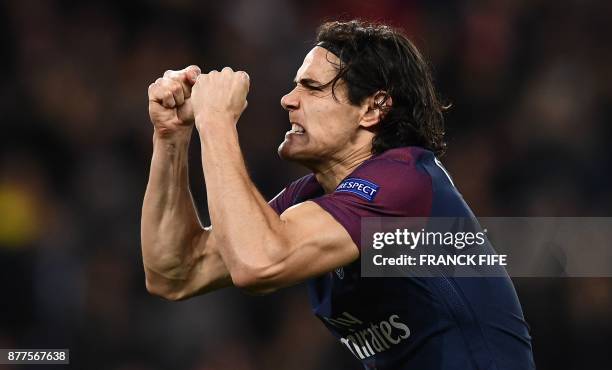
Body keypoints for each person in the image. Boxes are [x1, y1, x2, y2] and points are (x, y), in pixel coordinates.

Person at [141, 20, 535, 370]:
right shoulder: (312, 196)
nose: (288, 99)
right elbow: (176, 273)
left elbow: (258, 263)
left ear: (372, 109)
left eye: (312, 87)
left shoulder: (405, 183)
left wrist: (216, 120)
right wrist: (171, 137)